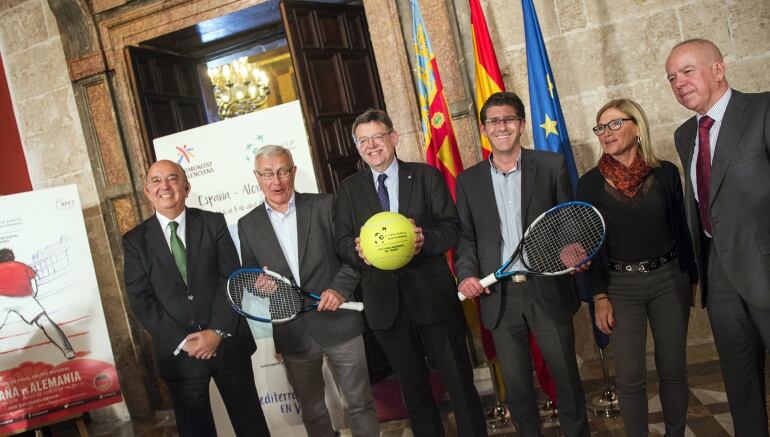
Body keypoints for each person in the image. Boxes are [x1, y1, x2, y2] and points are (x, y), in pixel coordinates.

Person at [335, 109, 486, 437]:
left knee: (460, 388)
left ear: (393, 138)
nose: (372, 145)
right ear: (357, 147)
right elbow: (342, 243)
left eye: (377, 137)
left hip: (433, 300)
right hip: (386, 308)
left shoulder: (425, 175)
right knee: (415, 396)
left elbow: (451, 229)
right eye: (363, 141)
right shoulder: (347, 190)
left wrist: (424, 239)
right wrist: (358, 250)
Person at [455, 92, 589, 437]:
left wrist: (572, 246)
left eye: (508, 120)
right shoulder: (468, 181)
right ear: (484, 129)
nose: (501, 127)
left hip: (546, 288)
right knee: (517, 389)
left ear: (522, 124)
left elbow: (568, 218)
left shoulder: (550, 165)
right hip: (499, 298)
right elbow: (467, 238)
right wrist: (466, 274)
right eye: (493, 121)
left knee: (566, 380)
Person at [665, 38, 770, 436]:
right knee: (740, 384)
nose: (679, 83)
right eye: (672, 78)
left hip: (765, 265)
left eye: (688, 72)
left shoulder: (762, 109)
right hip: (719, 273)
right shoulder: (684, 135)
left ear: (719, 69)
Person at [238, 145, 379, 437]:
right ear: (257, 177)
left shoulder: (326, 205)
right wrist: (259, 286)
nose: (276, 181)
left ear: (293, 172)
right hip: (293, 333)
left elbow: (352, 258)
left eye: (282, 171)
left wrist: (339, 290)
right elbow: (252, 275)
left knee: (360, 404)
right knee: (313, 413)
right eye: (267, 174)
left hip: (340, 322)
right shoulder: (247, 224)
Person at [122, 160, 270, 437]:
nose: (164, 186)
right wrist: (184, 341)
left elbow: (232, 278)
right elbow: (141, 300)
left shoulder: (213, 222)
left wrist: (216, 332)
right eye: (156, 180)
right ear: (147, 191)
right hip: (180, 355)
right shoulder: (134, 241)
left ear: (186, 187)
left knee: (251, 426)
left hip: (227, 346)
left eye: (172, 178)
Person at [577, 98, 697, 436]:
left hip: (669, 280)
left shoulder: (665, 173)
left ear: (636, 126)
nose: (607, 132)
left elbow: (682, 229)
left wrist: (692, 279)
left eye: (615, 123)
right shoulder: (588, 184)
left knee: (673, 369)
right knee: (630, 377)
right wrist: (599, 295)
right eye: (601, 127)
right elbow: (590, 248)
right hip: (620, 287)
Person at [0, 248, 76, 360]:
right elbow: (33, 285)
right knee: (45, 322)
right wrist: (32, 295)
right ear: (12, 256)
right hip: (24, 298)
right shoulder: (22, 266)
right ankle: (67, 350)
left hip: (2, 299)